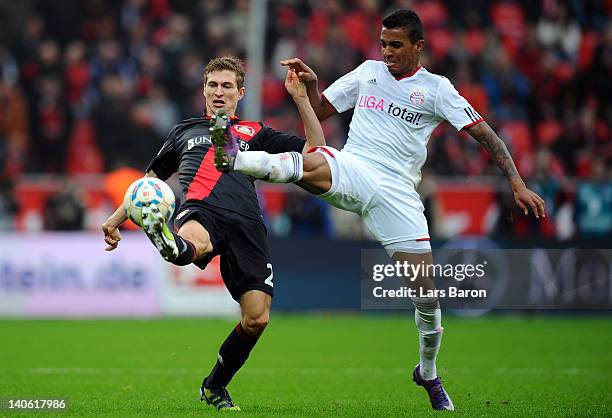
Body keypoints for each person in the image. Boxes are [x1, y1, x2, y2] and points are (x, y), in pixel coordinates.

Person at [213, 10, 546, 411]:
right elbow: (320, 113)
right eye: (383, 43)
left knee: (426, 297)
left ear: (418, 46)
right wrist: (310, 89)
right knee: (313, 160)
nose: (386, 52)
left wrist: (516, 182)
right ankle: (234, 157)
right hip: (355, 167)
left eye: (395, 45)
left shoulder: (437, 89)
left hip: (398, 194)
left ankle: (428, 371)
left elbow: (485, 134)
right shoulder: (367, 72)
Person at [101, 56, 324, 411]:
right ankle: (173, 245)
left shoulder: (257, 132)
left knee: (256, 318)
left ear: (240, 92)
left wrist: (301, 99)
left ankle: (214, 386)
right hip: (202, 209)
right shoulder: (183, 131)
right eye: (212, 85)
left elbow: (314, 150)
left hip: (248, 223)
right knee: (197, 242)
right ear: (203, 89)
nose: (219, 92)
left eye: (226, 86)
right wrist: (116, 218)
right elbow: (149, 183)